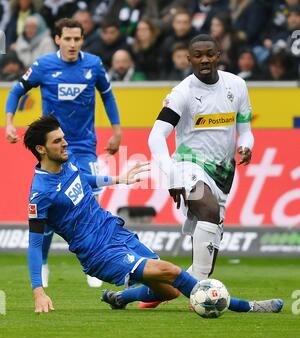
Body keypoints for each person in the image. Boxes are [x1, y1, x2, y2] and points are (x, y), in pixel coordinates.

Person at [146, 34, 284, 313]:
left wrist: (245, 146)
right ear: (189, 59)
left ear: (219, 55)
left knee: (208, 251)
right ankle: (200, 292)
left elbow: (245, 129)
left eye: (210, 54)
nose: (205, 59)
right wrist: (172, 174)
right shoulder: (182, 93)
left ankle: (135, 295)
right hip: (188, 166)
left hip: (223, 173)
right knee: (208, 211)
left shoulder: (237, 85)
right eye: (198, 55)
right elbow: (156, 136)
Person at [23, 115, 200, 314]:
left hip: (115, 232)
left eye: (63, 138)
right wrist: (38, 291)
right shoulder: (40, 194)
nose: (65, 143)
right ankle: (219, 299)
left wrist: (118, 179)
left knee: (171, 291)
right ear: (41, 149)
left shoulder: (68, 160)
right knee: (171, 271)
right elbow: (35, 244)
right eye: (57, 141)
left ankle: (120, 297)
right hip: (99, 253)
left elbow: (82, 179)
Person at [5, 18, 122, 288]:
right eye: (67, 39)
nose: (72, 44)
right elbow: (16, 91)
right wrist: (10, 122)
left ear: (82, 40)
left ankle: (93, 263)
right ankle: (43, 262)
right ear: (57, 39)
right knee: (50, 209)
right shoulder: (44, 66)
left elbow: (108, 95)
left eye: (77, 39)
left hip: (82, 145)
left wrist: (117, 131)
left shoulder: (93, 64)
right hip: (53, 146)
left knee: (90, 201)